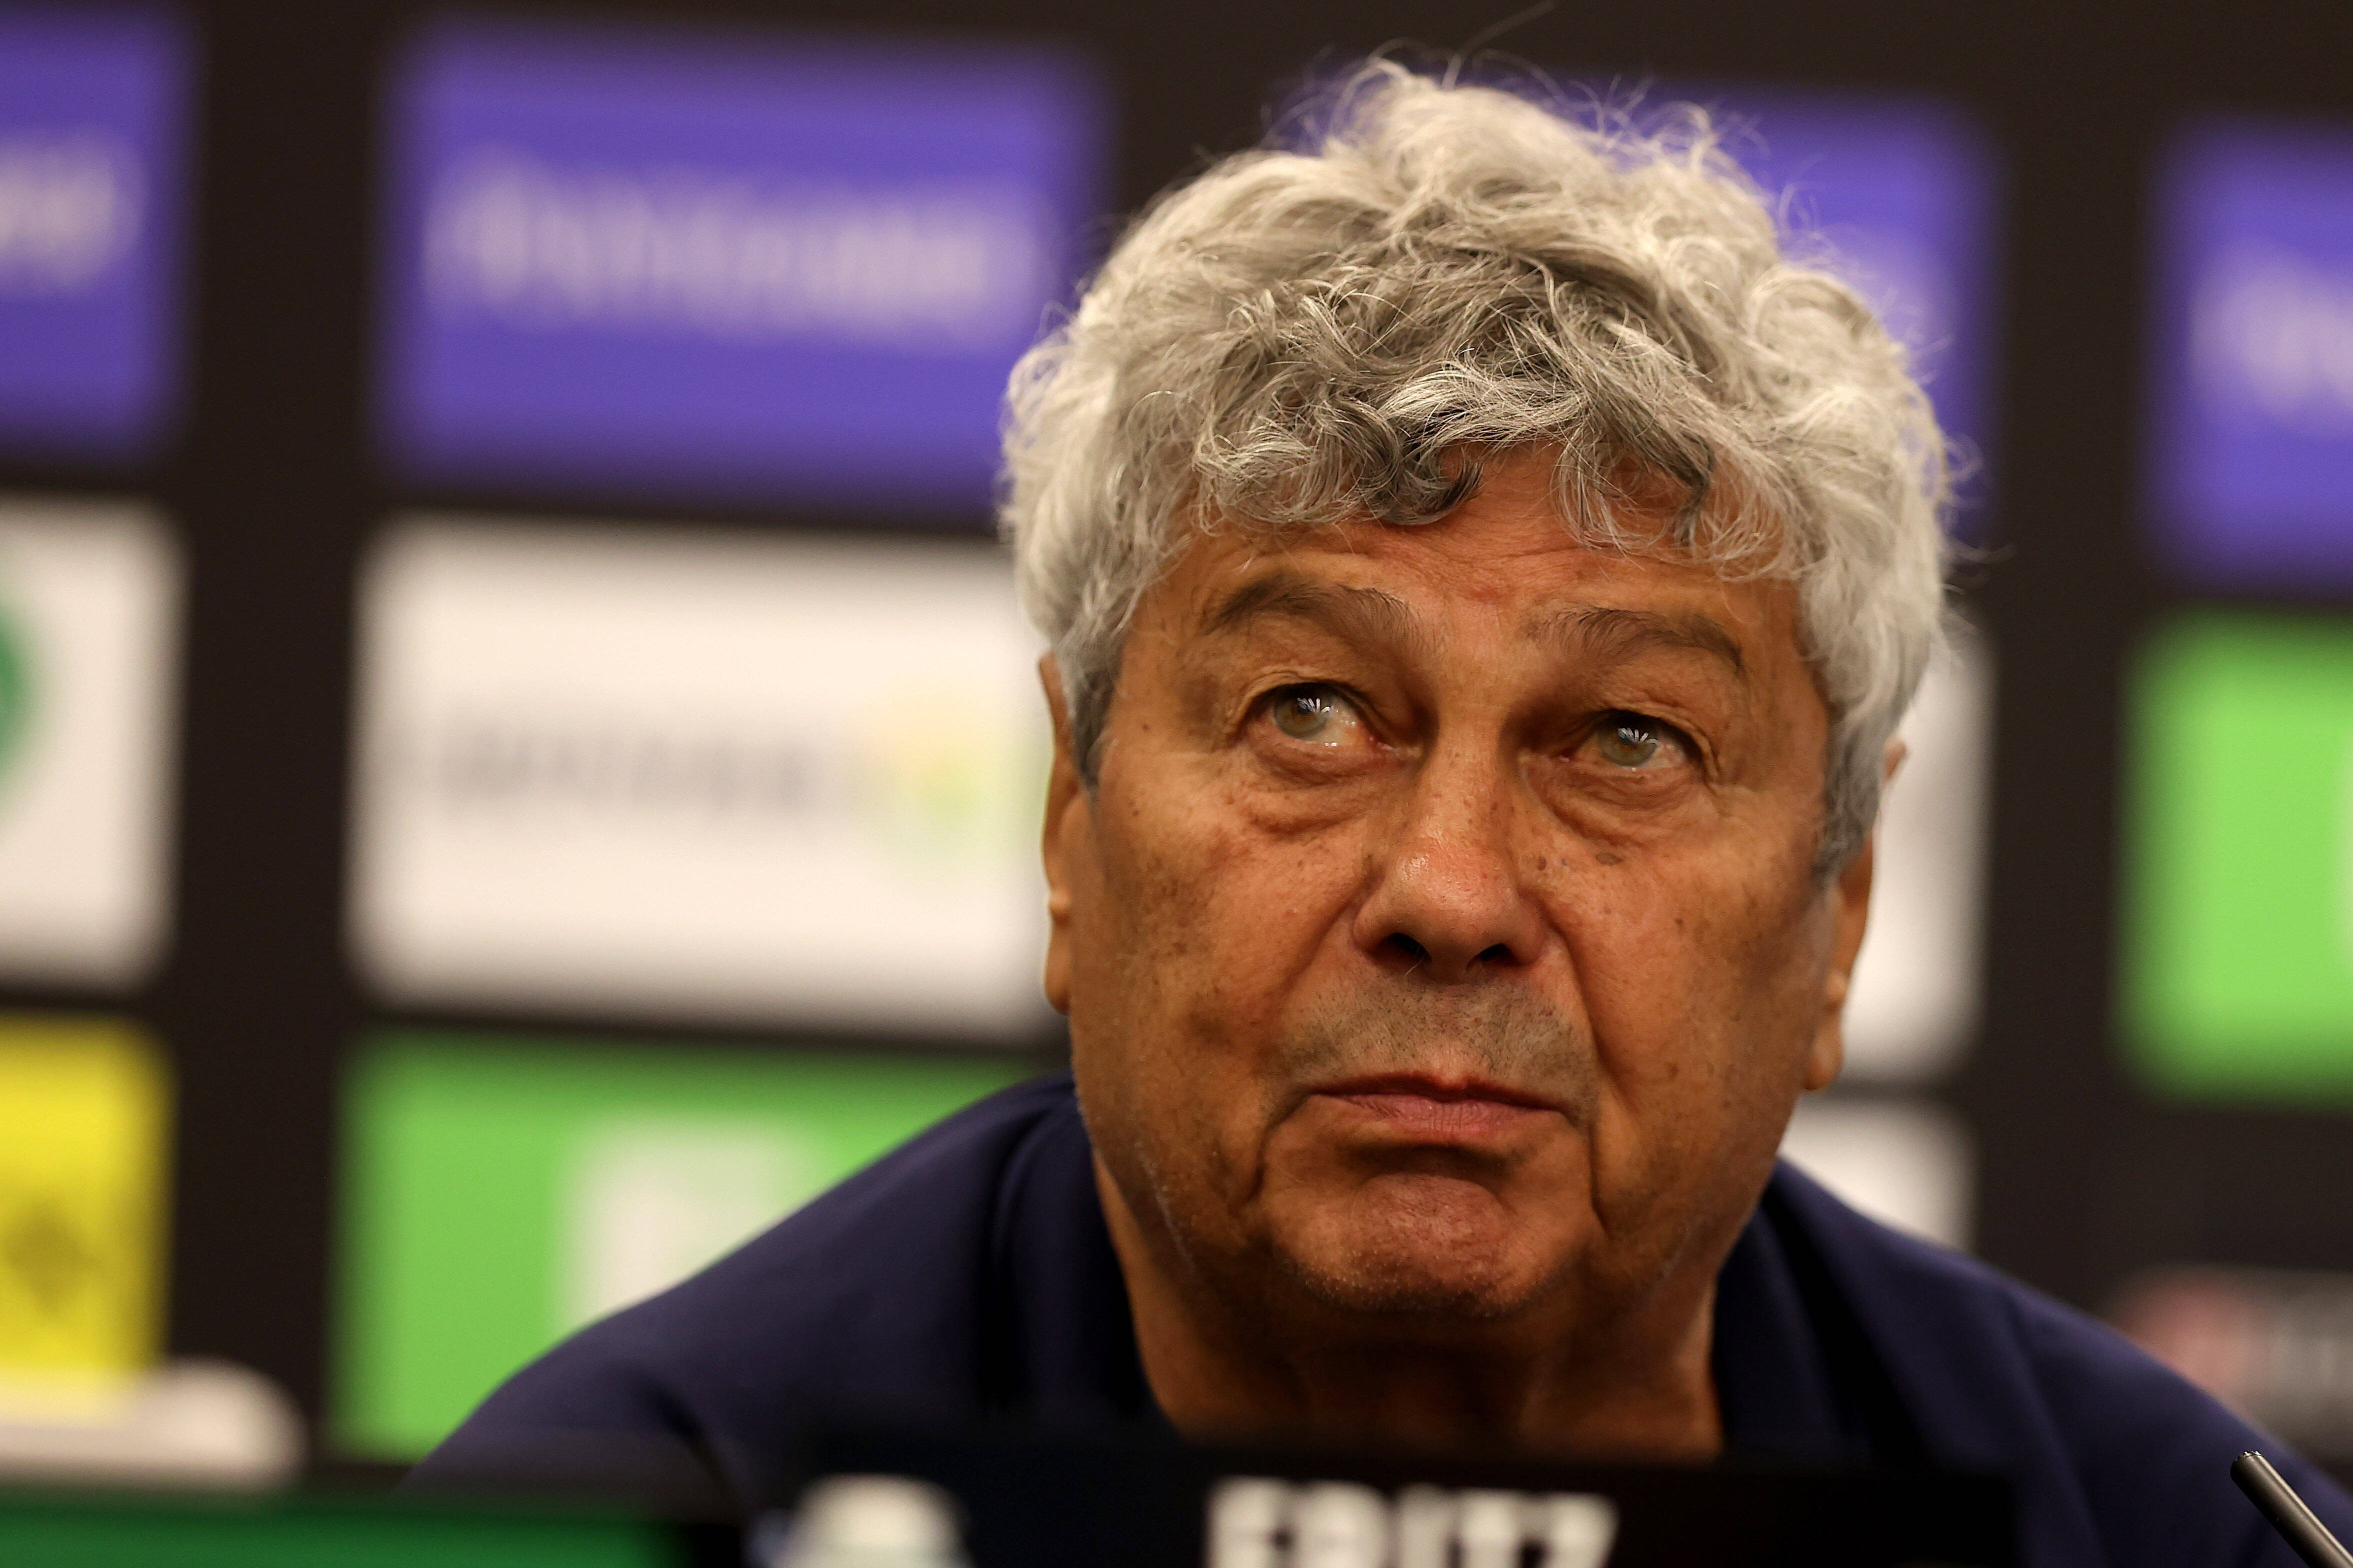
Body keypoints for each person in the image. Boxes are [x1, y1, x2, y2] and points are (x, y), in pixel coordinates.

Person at [411, 63, 2352, 1563]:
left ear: (1836, 910)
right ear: (1072, 824)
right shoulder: (647, 1509)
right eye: (1313, 711)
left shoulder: (2163, 1536)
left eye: (1625, 739)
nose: (1449, 887)